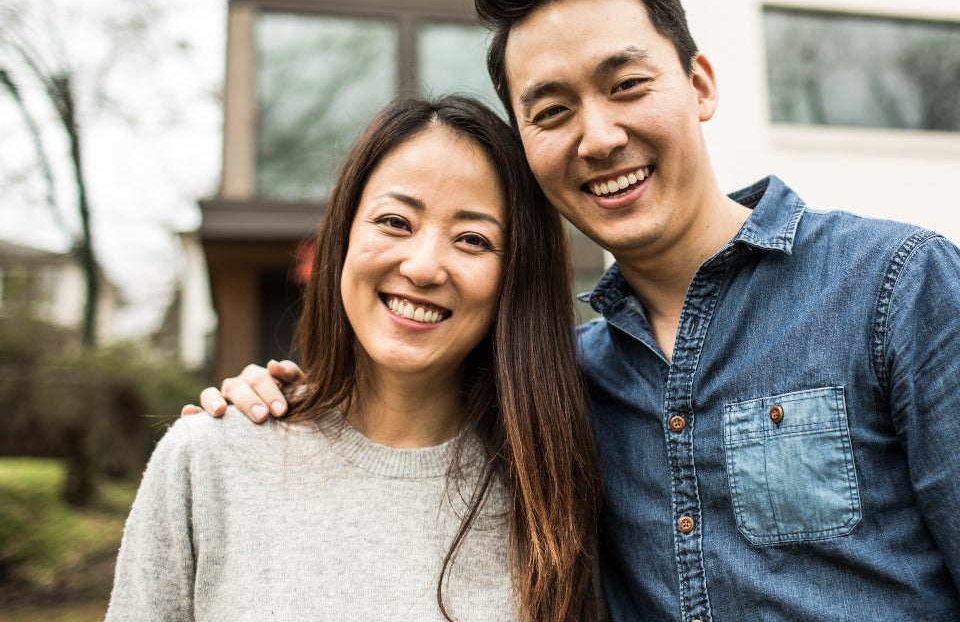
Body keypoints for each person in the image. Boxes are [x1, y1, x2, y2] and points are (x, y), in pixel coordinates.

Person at [200, 0, 960, 620]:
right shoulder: (559, 388)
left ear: (699, 84)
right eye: (552, 110)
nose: (598, 136)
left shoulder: (898, 286)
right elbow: (401, 421)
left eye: (626, 85)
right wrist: (279, 396)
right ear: (528, 146)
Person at [112, 95, 601, 621]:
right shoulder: (207, 460)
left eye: (472, 239)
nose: (422, 267)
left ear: (515, 278)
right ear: (343, 236)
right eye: (394, 221)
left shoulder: (556, 490)